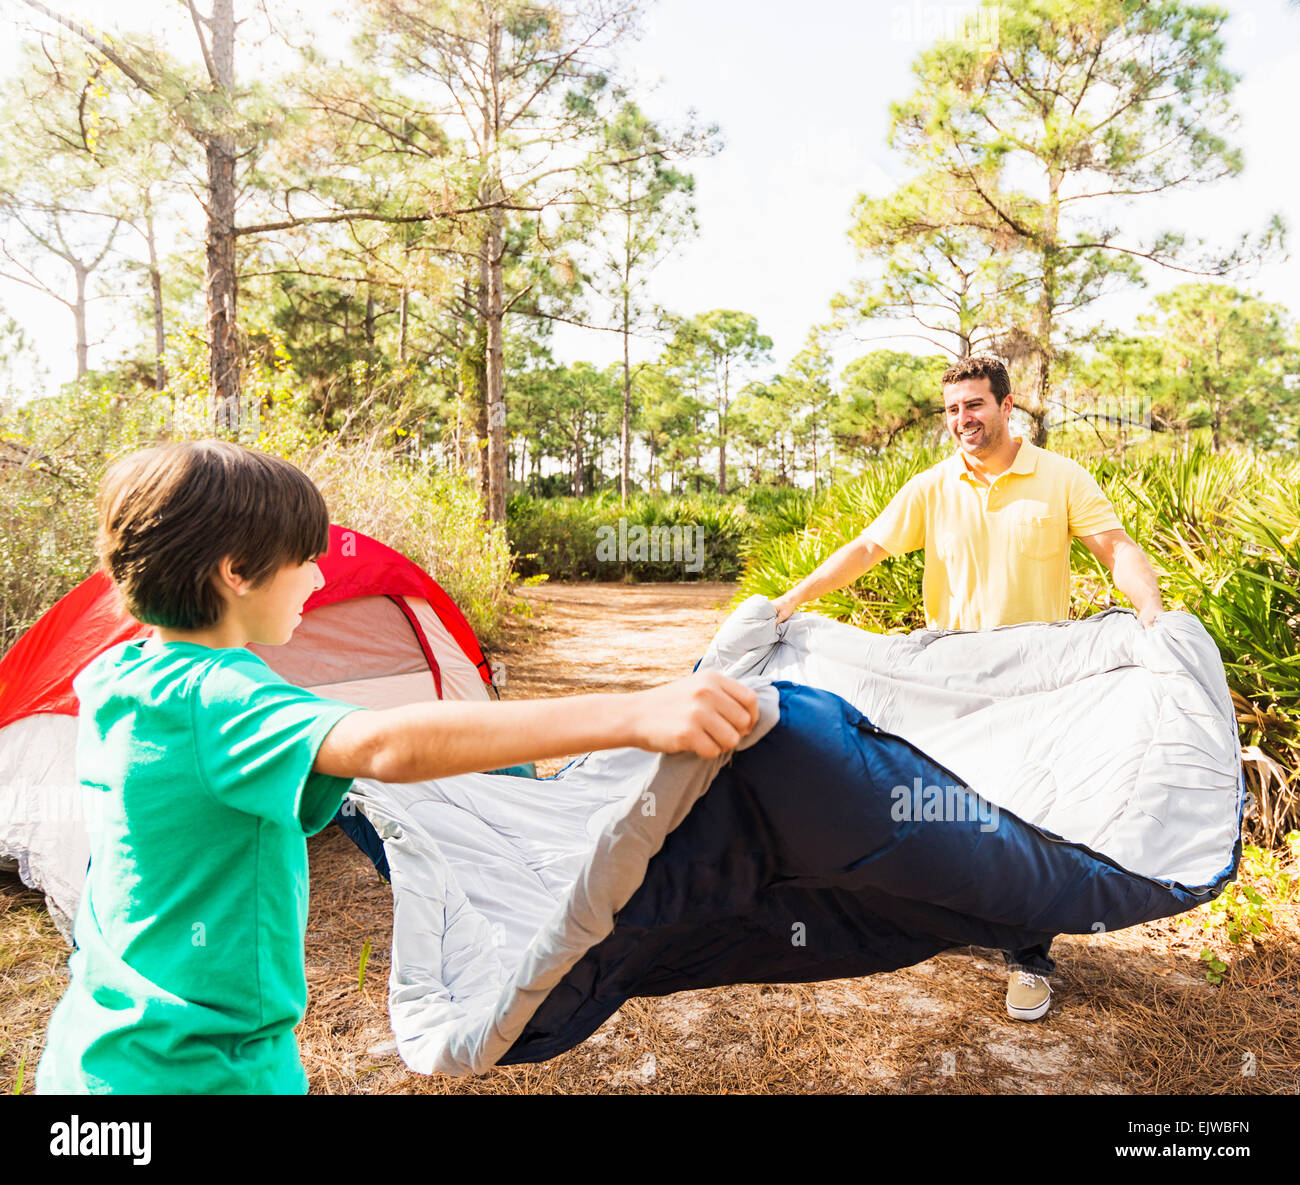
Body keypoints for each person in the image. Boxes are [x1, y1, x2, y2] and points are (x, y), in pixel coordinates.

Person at [36, 439, 759, 1094]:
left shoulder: (120, 675)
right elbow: (386, 747)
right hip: (197, 1068)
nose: (318, 580)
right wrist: (632, 712)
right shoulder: (220, 697)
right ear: (236, 572)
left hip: (99, 1048)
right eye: (305, 560)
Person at [771, 354, 1164, 1022]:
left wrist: (1153, 612)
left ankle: (1030, 957)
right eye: (953, 409)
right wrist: (793, 599)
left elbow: (1114, 545)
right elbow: (867, 549)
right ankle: (959, 920)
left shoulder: (1059, 477)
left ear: (1008, 407)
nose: (963, 420)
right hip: (947, 674)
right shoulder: (931, 486)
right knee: (948, 806)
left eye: (975, 405)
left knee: (1028, 816)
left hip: (1033, 679)